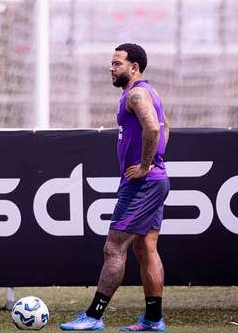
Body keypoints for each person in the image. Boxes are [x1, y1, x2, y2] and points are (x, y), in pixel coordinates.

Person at [60, 43, 171, 332]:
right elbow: (165, 125)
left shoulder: (136, 94)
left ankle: (94, 316)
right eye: (112, 63)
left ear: (133, 68)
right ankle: (153, 320)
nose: (112, 67)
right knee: (146, 250)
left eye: (117, 63)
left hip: (142, 183)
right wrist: (157, 160)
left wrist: (146, 165)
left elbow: (155, 128)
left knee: (113, 248)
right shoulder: (147, 91)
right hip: (155, 180)